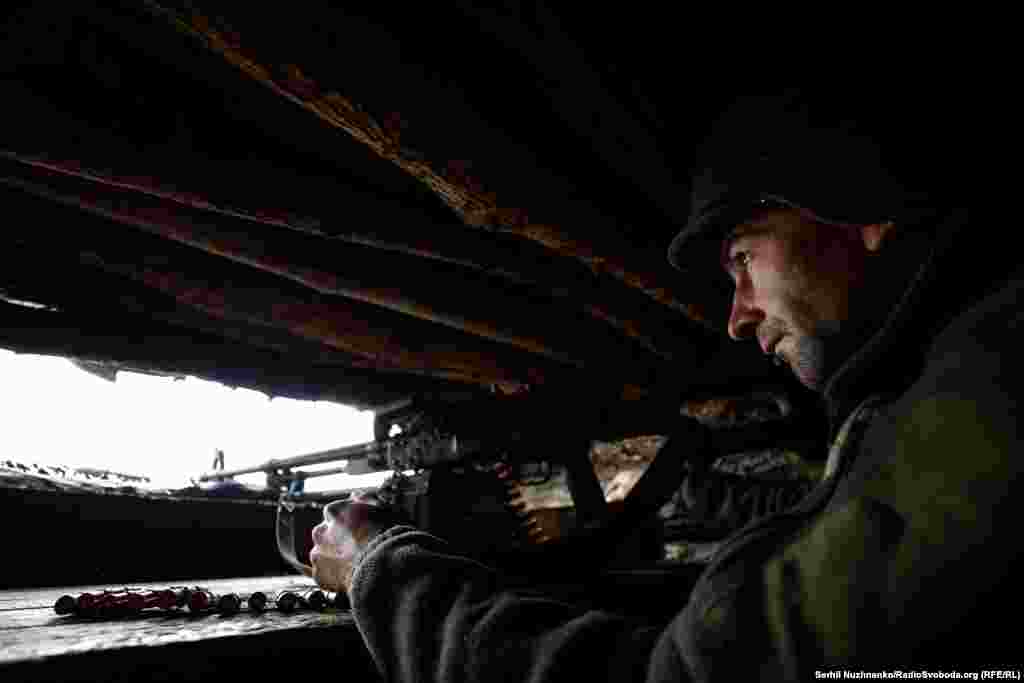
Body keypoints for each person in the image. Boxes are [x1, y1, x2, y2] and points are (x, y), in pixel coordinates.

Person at [309, 92, 1018, 680]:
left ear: (861, 205)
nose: (737, 317)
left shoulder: (988, 389)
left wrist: (381, 568)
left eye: (743, 257)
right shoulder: (928, 392)